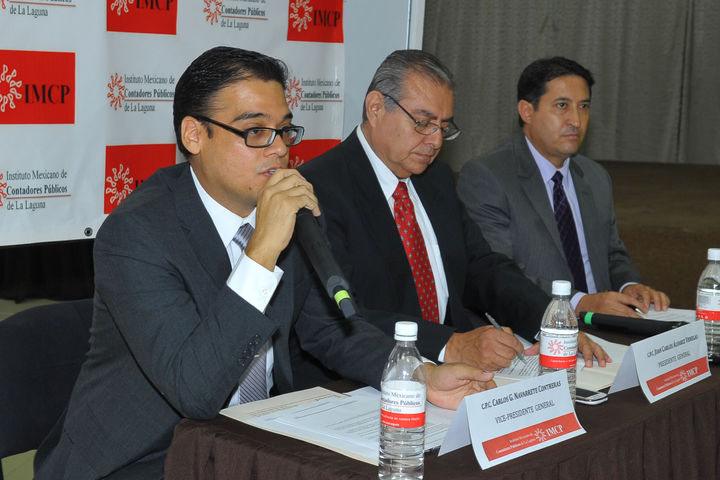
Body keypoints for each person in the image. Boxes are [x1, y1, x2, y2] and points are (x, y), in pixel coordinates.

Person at [33, 47, 494, 480]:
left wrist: (419, 376)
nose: (278, 149)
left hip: (251, 439)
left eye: (284, 130)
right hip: (144, 459)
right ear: (194, 135)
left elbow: (328, 331)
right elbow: (195, 392)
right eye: (255, 132)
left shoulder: (285, 211)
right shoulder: (137, 233)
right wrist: (262, 251)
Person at [297, 50, 609, 386]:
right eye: (423, 123)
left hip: (458, 373)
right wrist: (450, 344)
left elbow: (482, 267)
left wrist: (549, 322)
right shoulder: (318, 189)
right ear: (376, 108)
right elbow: (340, 317)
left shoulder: (436, 179)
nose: (435, 141)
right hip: (361, 381)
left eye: (443, 127)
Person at [457, 56, 670, 318]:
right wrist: (579, 302)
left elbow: (612, 254)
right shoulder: (488, 176)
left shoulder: (595, 176)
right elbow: (497, 276)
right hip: (534, 324)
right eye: (562, 106)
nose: (576, 121)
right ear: (526, 111)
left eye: (583, 107)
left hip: (605, 322)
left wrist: (629, 285)